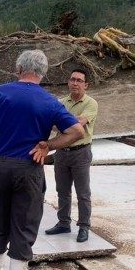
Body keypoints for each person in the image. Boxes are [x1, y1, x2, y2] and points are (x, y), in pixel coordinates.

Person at [0, 50, 85, 270]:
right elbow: (77, 131)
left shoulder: (1, 92)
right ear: (42, 73)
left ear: (18, 68)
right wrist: (49, 145)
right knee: (23, 226)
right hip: (29, 169)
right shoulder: (50, 101)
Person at [45, 68, 98, 242]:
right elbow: (53, 123)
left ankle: (84, 226)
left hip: (80, 152)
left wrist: (62, 123)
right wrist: (64, 124)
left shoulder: (91, 103)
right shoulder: (61, 102)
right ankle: (63, 223)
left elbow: (79, 124)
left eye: (79, 80)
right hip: (61, 152)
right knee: (62, 190)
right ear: (68, 82)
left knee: (83, 192)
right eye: (72, 79)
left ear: (86, 85)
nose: (75, 83)